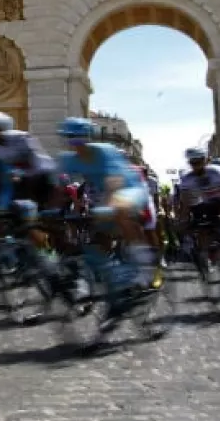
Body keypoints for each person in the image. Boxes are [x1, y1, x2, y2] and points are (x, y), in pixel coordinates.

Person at [55, 117, 155, 293]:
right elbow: (57, 185)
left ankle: (145, 269)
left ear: (89, 137)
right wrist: (52, 208)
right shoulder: (69, 159)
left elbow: (113, 180)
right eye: (70, 138)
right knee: (97, 239)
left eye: (79, 138)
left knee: (120, 210)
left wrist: (108, 205)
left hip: (130, 189)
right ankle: (102, 277)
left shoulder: (105, 151)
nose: (76, 143)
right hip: (106, 197)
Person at [177, 148, 220, 275]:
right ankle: (205, 257)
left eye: (199, 162)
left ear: (206, 160)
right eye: (193, 163)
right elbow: (186, 202)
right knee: (201, 225)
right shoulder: (187, 178)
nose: (196, 166)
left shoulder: (217, 171)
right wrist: (183, 219)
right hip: (208, 204)